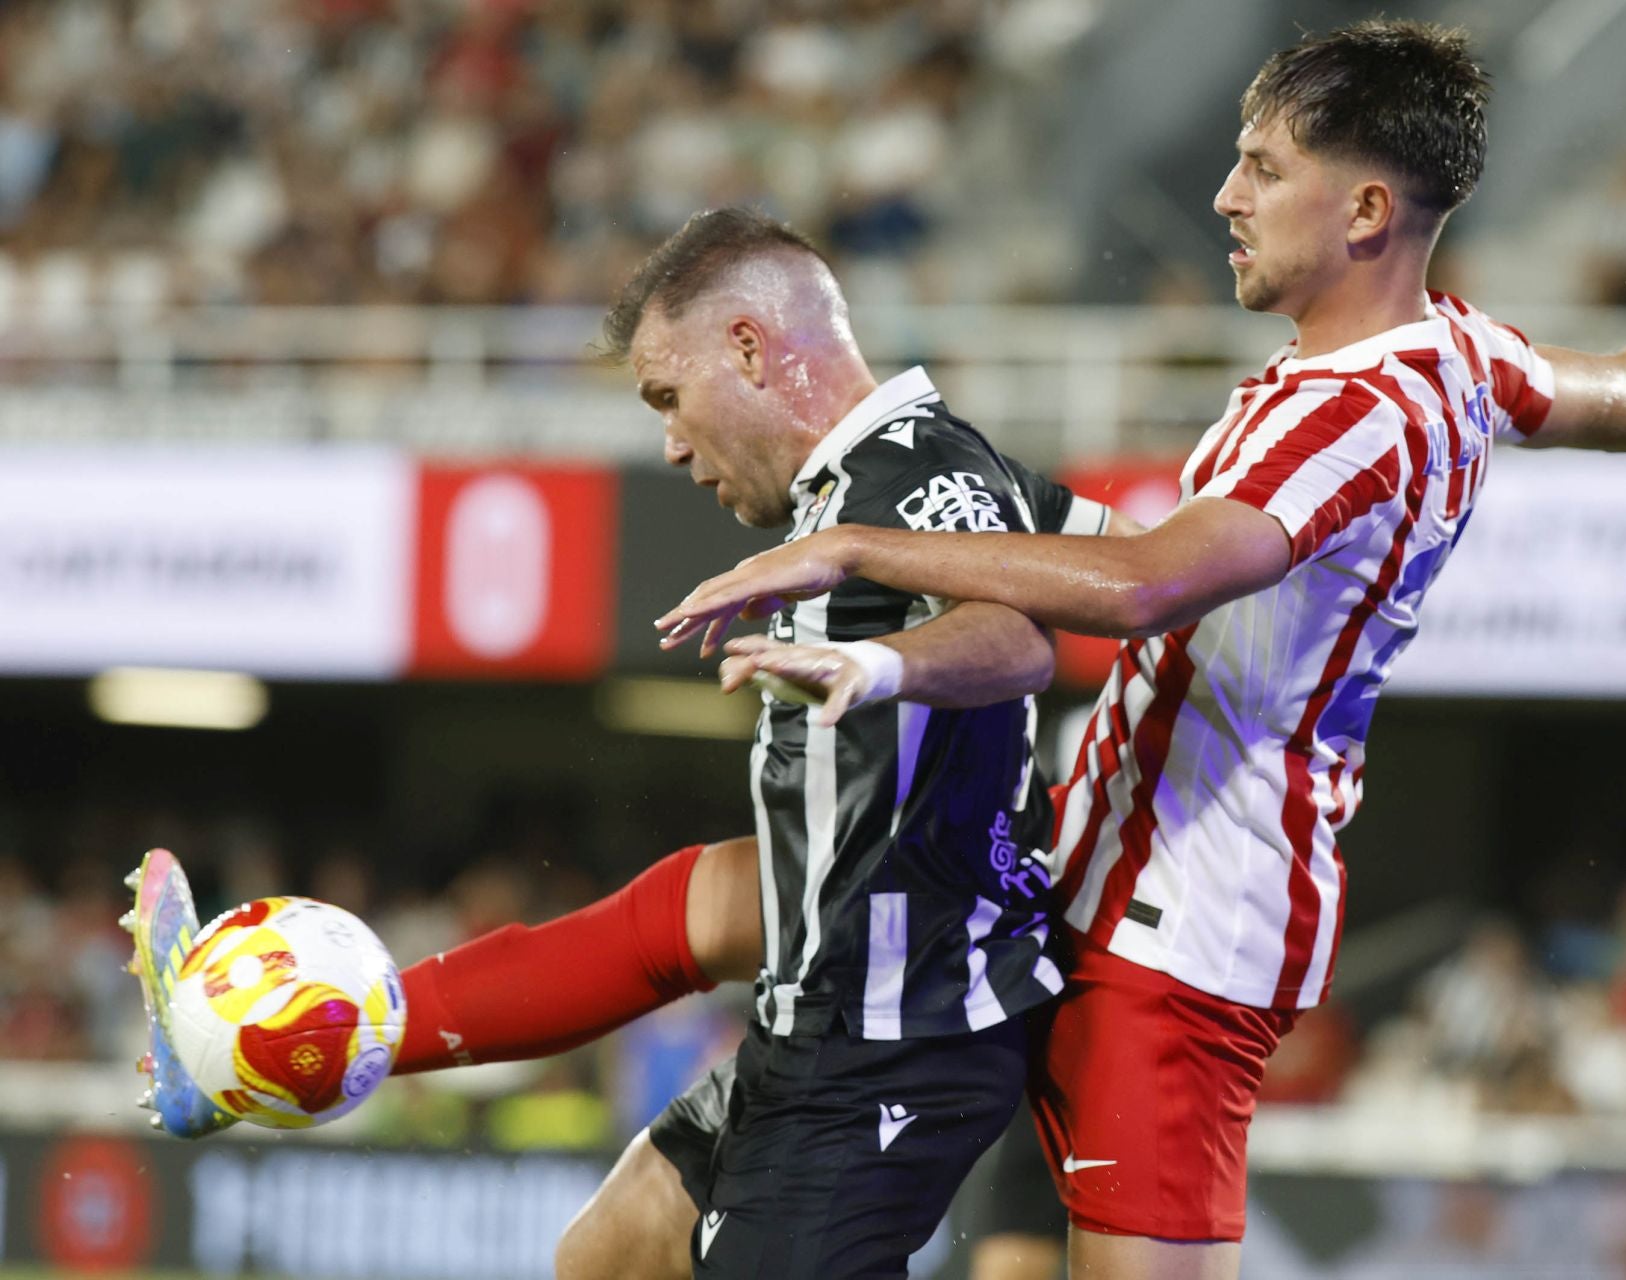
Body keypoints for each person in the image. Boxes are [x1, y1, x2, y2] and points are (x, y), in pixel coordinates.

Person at [657, 21, 1626, 1279]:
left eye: (1264, 167)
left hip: (1177, 935)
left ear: (1365, 210)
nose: (1225, 195)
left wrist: (860, 545)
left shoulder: (1359, 413)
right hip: (1096, 886)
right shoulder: (1453, 353)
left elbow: (1143, 586)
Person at [127, 206, 1125, 1279]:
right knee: (608, 1251)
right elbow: (1130, 564)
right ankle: (294, 1041)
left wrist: (879, 664)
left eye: (667, 396)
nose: (671, 444)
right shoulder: (894, 481)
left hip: (892, 1045)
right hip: (821, 1007)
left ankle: (308, 1039)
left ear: (750, 348)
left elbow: (1015, 638)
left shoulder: (912, 478)